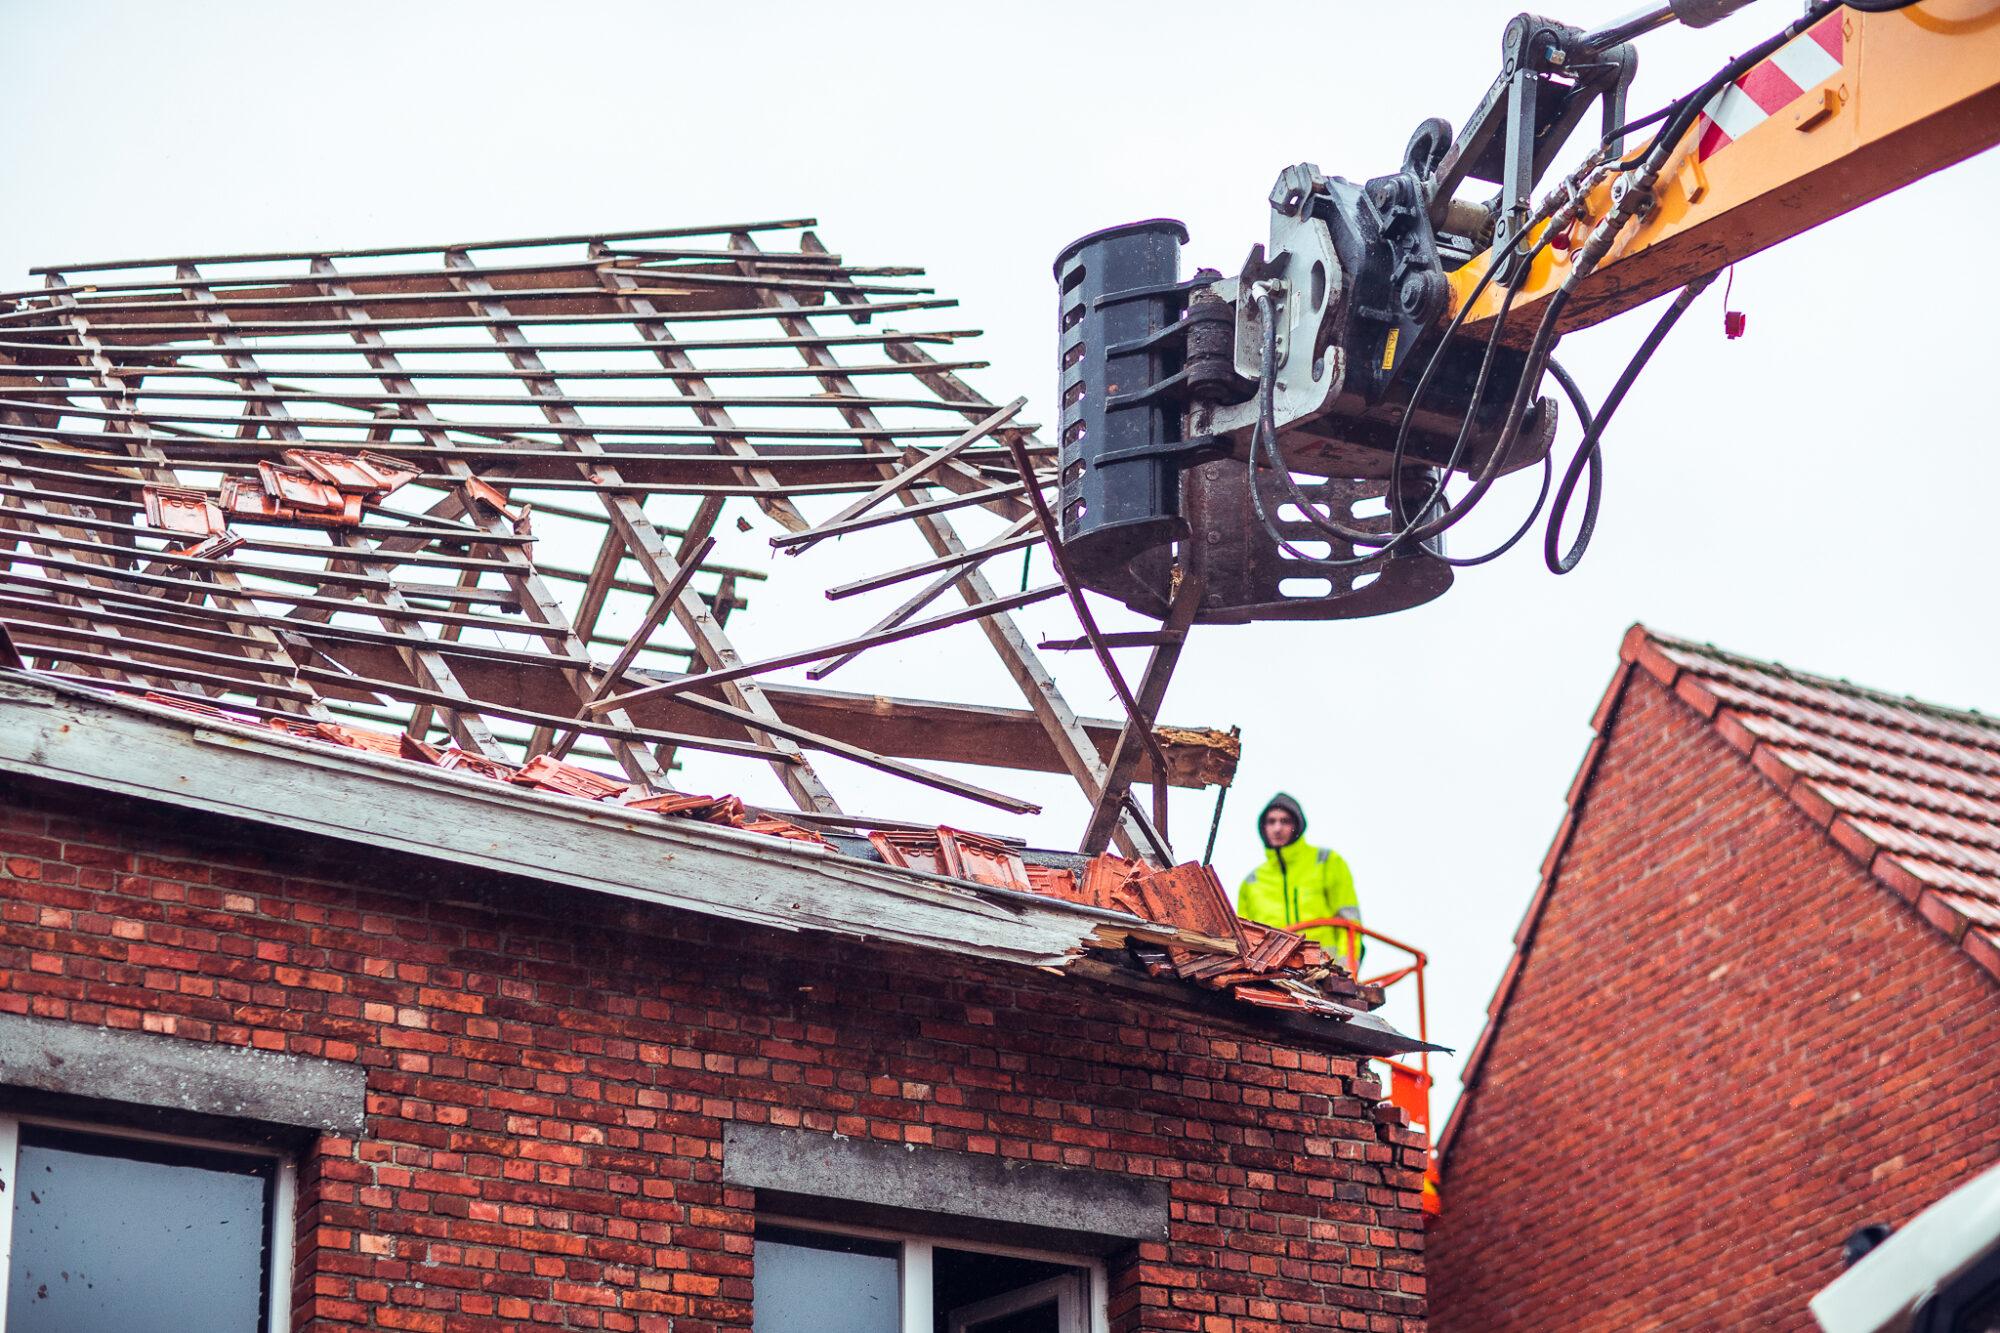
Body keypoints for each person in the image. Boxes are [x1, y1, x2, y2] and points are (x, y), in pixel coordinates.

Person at [1237, 792, 1363, 969]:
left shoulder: (1326, 861)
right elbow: (1244, 939)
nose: (1277, 828)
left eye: (1285, 821)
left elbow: (1350, 924)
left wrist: (1346, 971)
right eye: (1271, 821)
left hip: (1326, 970)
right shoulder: (1251, 883)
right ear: (1263, 828)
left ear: (1297, 825)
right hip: (1275, 977)